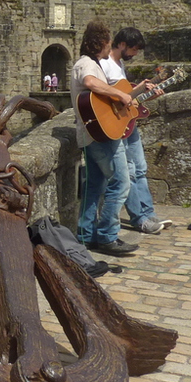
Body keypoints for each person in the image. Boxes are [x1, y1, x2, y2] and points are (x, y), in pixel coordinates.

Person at [70, 21, 138, 256]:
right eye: (108, 45)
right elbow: (90, 83)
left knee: (94, 187)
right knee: (121, 183)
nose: (110, 51)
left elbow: (97, 96)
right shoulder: (86, 64)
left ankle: (86, 235)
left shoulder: (93, 64)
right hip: (100, 137)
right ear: (101, 44)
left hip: (93, 134)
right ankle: (108, 236)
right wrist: (119, 93)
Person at [99, 27, 172, 235]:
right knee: (128, 173)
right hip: (116, 125)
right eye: (134, 49)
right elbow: (107, 99)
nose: (135, 54)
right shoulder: (104, 65)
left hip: (129, 122)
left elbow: (128, 98)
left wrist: (147, 95)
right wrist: (138, 88)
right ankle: (139, 219)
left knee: (140, 168)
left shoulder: (119, 64)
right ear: (122, 44)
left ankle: (148, 213)